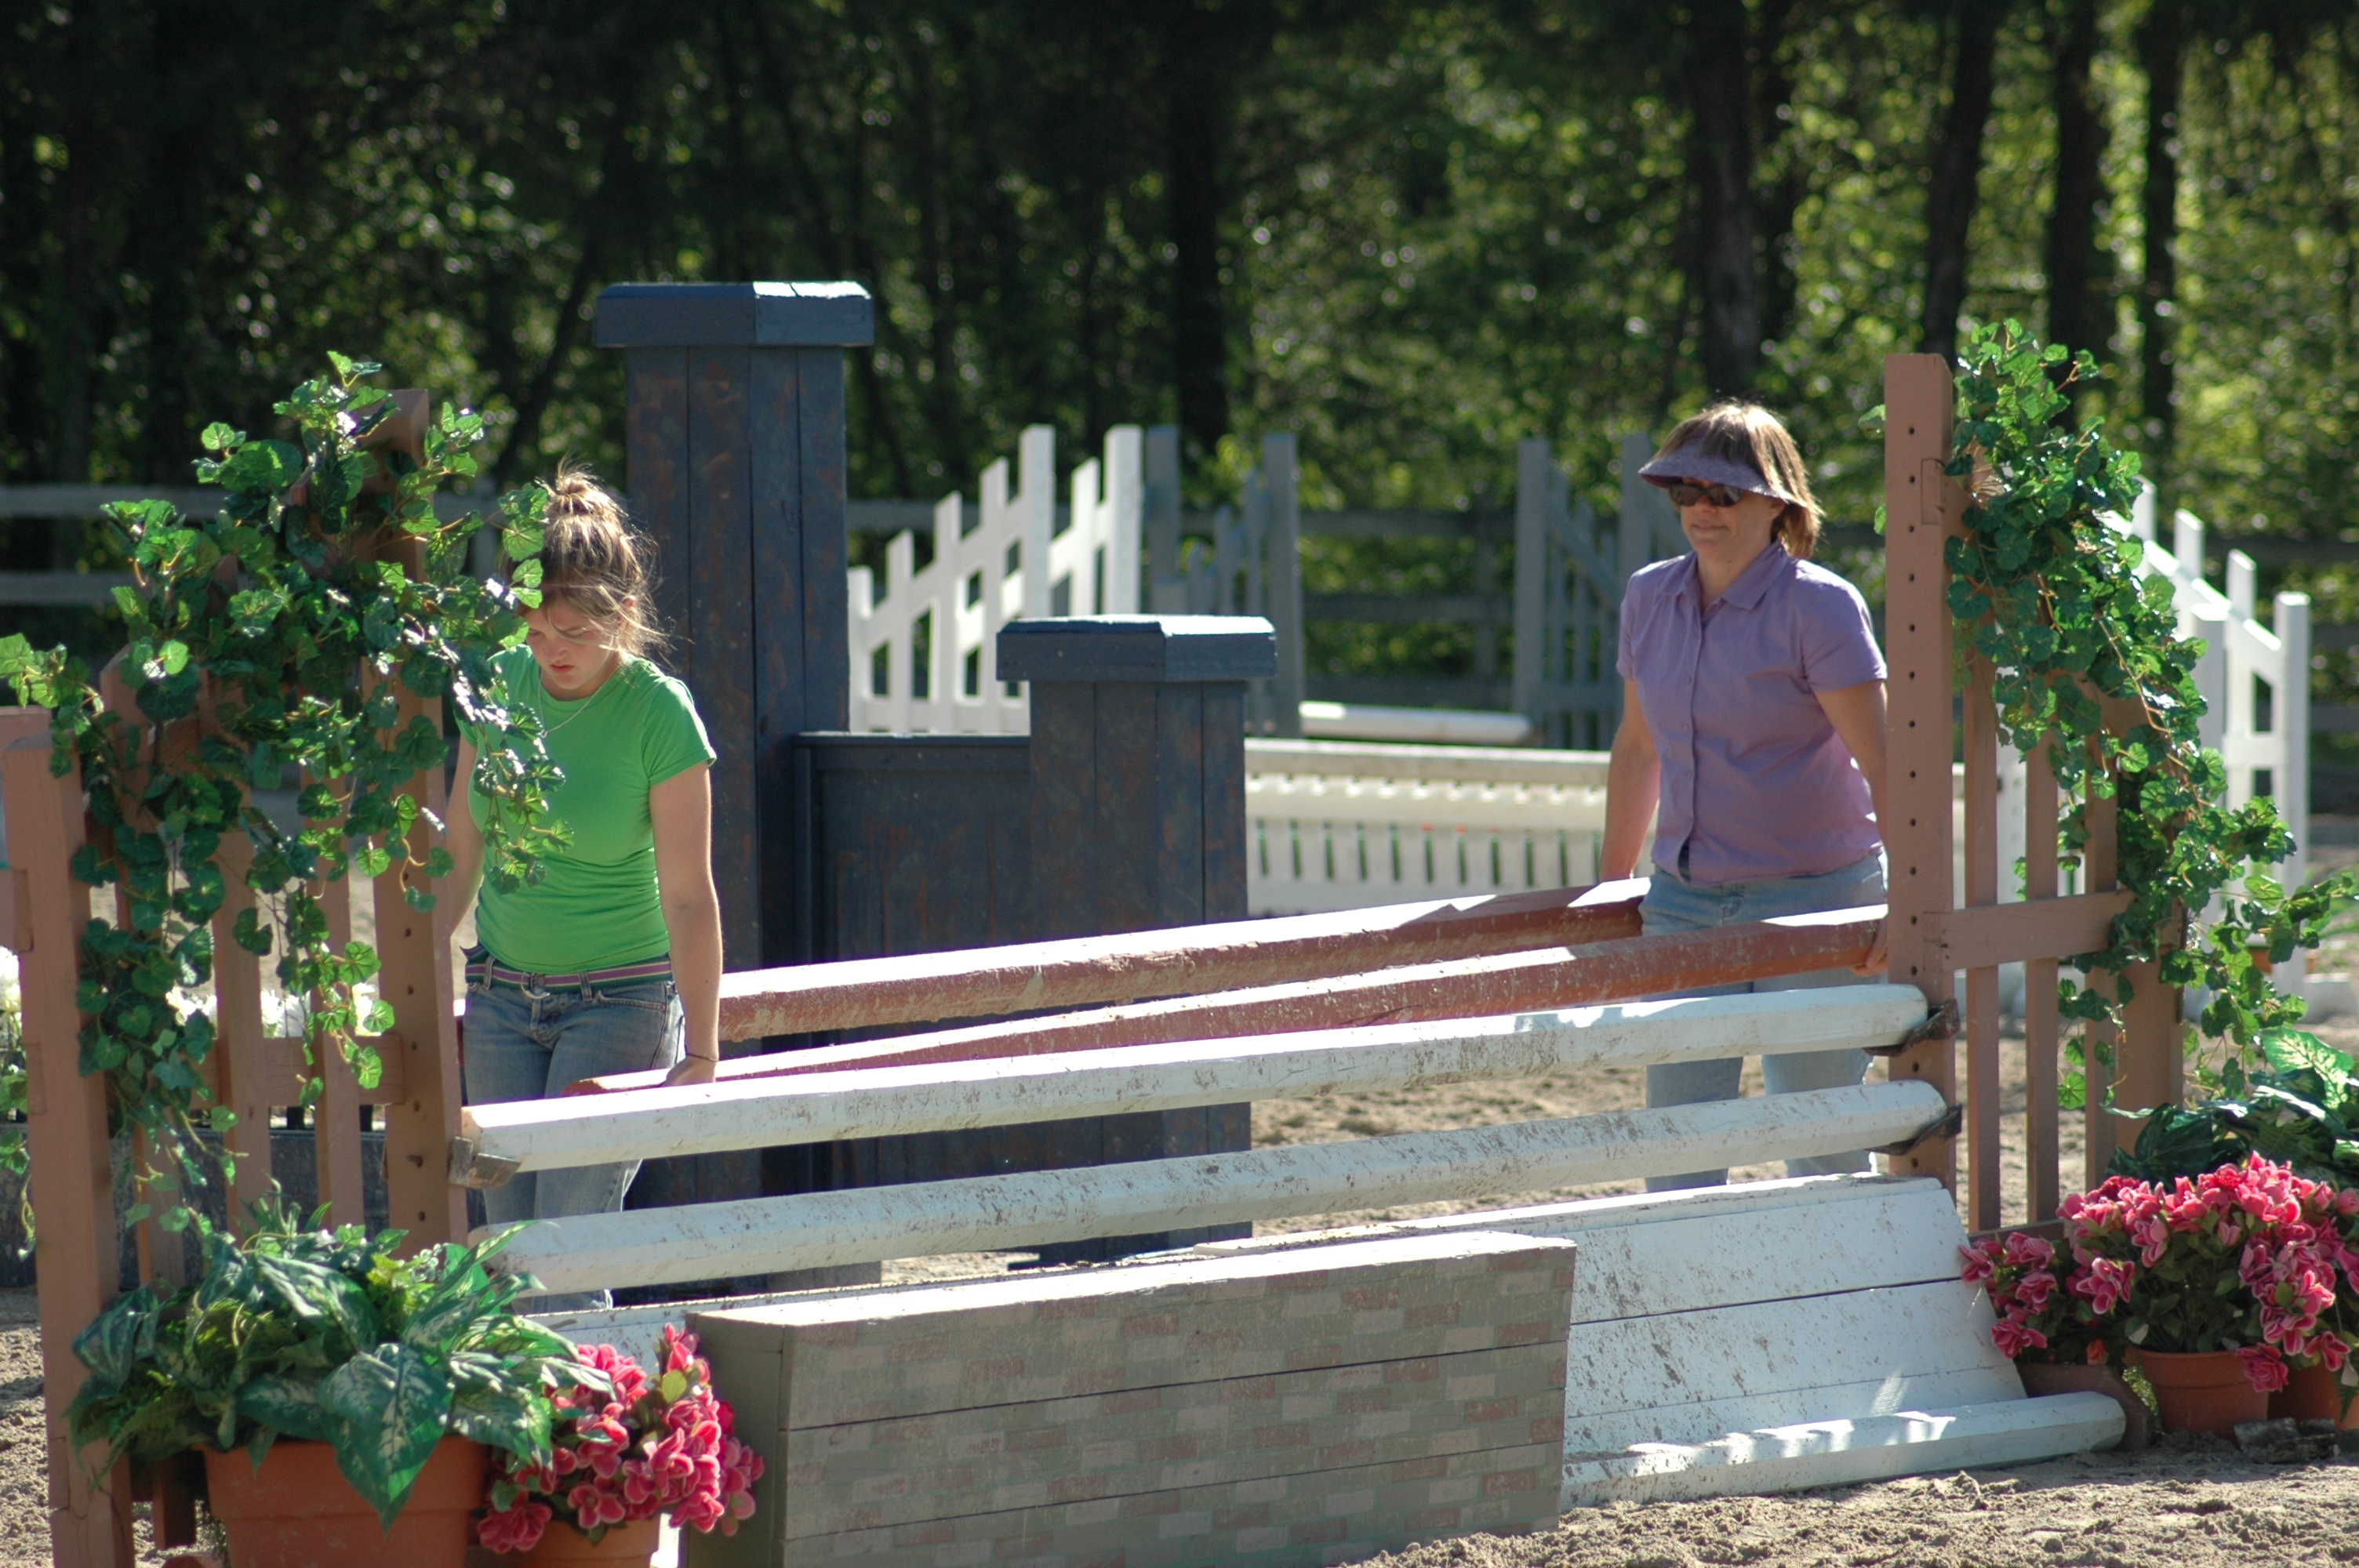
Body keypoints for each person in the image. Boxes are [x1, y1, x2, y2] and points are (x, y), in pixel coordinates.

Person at [440, 465, 722, 1308]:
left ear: (620, 618)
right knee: (503, 1252)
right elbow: (461, 847)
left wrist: (702, 1047)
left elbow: (688, 895)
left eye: (569, 630)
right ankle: (538, 1437)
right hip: (498, 1000)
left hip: (621, 1004)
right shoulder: (493, 686)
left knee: (561, 1255)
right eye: (534, 631)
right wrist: (411, 991)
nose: (549, 649)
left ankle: (596, 1435)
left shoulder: (659, 713)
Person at [1600, 401, 1891, 1192]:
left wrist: (1913, 905)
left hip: (1820, 901)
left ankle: (1841, 1306)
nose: (1701, 508)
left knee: (1820, 1138)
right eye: (1683, 490)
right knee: (1678, 1148)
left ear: (1778, 503)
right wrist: (1608, 887)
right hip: (1683, 903)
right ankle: (1686, 1312)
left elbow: (1889, 764)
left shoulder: (1820, 604)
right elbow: (1635, 750)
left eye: (1724, 493)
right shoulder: (1646, 597)